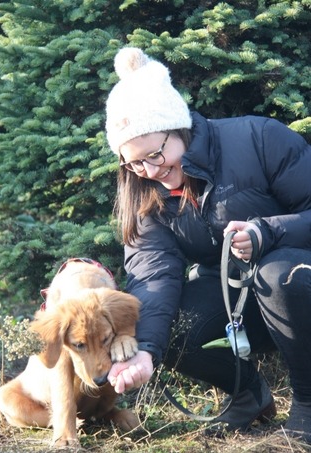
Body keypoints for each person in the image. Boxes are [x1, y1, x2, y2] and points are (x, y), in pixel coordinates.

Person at [103, 47, 311, 441]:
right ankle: (248, 396)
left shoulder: (258, 137)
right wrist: (144, 349)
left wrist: (268, 233)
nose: (150, 171)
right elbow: (153, 273)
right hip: (238, 300)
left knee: (277, 273)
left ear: (178, 127)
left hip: (298, 284)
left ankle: (308, 403)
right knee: (177, 323)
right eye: (133, 163)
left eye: (155, 153)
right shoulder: (144, 191)